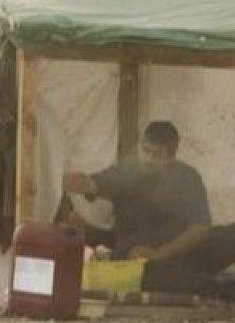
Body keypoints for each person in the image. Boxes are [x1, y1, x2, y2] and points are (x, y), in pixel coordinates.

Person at [62, 121, 216, 290]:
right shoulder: (127, 172)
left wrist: (159, 254)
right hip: (130, 258)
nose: (148, 159)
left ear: (171, 157)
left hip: (173, 256)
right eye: (146, 150)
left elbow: (200, 230)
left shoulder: (187, 178)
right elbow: (93, 183)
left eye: (157, 154)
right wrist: (75, 182)